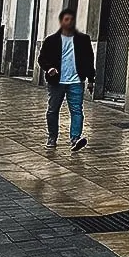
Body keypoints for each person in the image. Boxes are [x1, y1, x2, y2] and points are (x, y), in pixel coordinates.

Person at [38, 8, 95, 152]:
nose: (69, 22)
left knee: (76, 110)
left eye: (72, 20)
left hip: (76, 81)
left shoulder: (83, 40)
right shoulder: (51, 40)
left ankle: (75, 138)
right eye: (66, 19)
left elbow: (89, 60)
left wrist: (91, 79)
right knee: (52, 110)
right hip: (57, 81)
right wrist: (49, 68)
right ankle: (52, 137)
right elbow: (42, 58)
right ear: (61, 21)